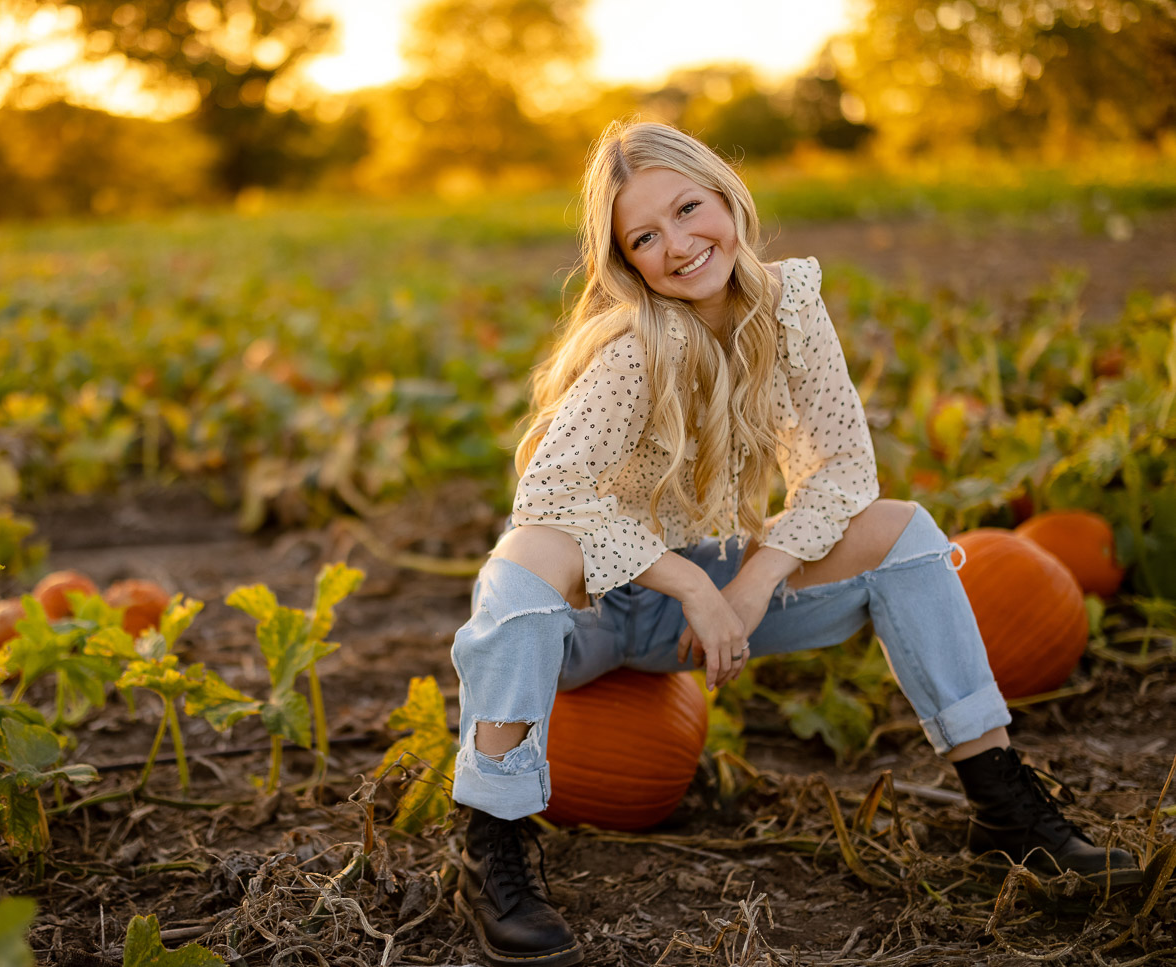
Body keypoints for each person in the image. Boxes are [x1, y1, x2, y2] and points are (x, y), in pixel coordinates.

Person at [448, 120, 1142, 967]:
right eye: (645, 236)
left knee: (903, 532)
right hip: (590, 617)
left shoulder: (791, 309)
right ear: (627, 262)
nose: (678, 244)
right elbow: (548, 496)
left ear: (728, 196)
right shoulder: (636, 349)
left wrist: (748, 581)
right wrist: (696, 590)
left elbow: (842, 470)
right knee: (525, 558)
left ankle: (1002, 801)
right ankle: (492, 840)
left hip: (699, 596)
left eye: (688, 208)